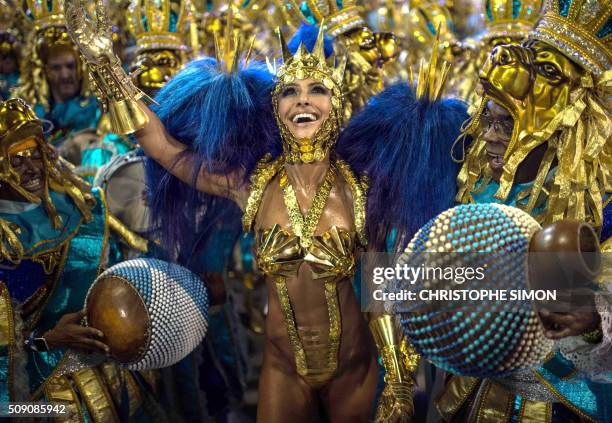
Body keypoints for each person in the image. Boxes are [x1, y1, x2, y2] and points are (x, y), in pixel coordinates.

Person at [63, 0, 470, 419]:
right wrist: (104, 62)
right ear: (275, 108)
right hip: (283, 368)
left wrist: (399, 385)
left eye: (317, 90)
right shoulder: (251, 183)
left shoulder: (362, 187)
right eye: (290, 91)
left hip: (354, 370)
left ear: (336, 103)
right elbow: (163, 147)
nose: (303, 100)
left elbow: (381, 290)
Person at [436, 0, 612, 419]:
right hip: (468, 394)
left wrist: (592, 321)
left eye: (507, 125)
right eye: (489, 121)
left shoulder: (601, 205)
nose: (492, 137)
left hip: (557, 404)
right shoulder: (472, 184)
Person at [0, 98, 158, 421]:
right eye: (17, 160)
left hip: (114, 378)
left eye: (35, 152)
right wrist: (47, 342)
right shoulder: (5, 240)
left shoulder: (81, 204)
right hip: (45, 403)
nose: (32, 167)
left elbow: (118, 272)